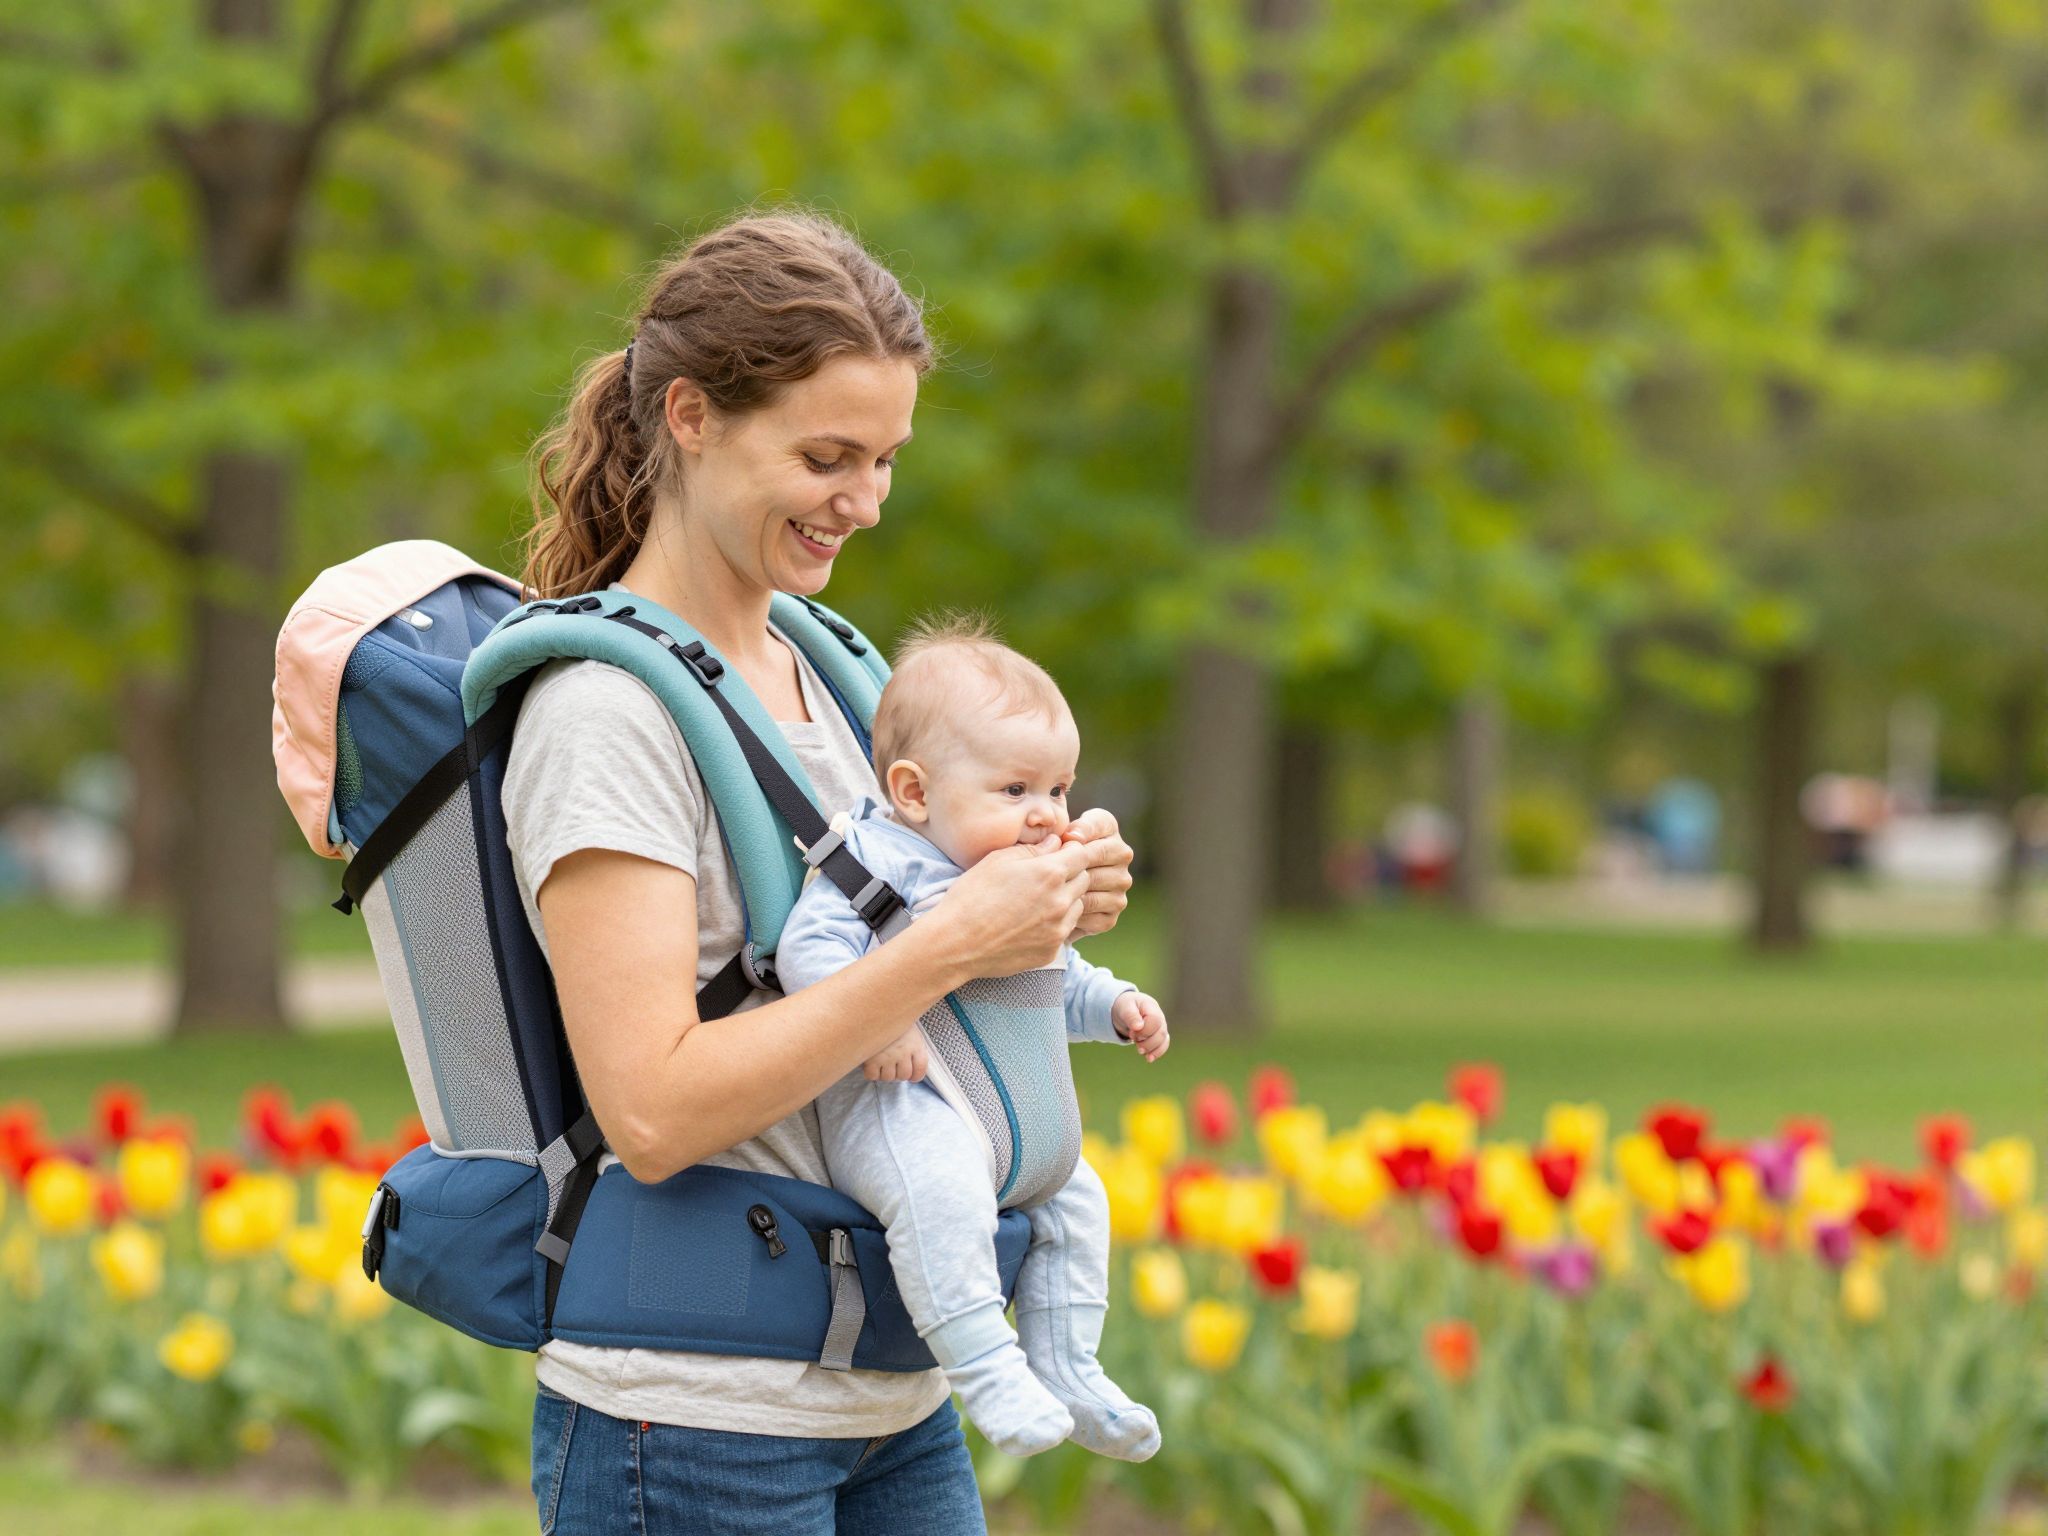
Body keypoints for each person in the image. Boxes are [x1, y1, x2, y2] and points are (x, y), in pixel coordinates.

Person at [499, 209, 1137, 1534]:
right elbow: (654, 1111)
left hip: (886, 1405)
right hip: (692, 1428)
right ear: (690, 416)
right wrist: (953, 945)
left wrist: (1043, 911)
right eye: (828, 456)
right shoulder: (605, 719)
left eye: (889, 458)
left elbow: (909, 949)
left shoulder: (840, 680)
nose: (868, 500)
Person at [775, 614, 1170, 1463]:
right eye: (1016, 791)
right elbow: (807, 951)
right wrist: (874, 1021)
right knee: (944, 1196)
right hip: (896, 1106)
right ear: (915, 793)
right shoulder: (878, 862)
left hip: (1003, 1117)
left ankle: (1068, 1364)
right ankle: (985, 1367)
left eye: (1059, 790)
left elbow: (1050, 982)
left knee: (1078, 1199)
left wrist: (1117, 1005)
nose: (1046, 816)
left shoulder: (1013, 878)